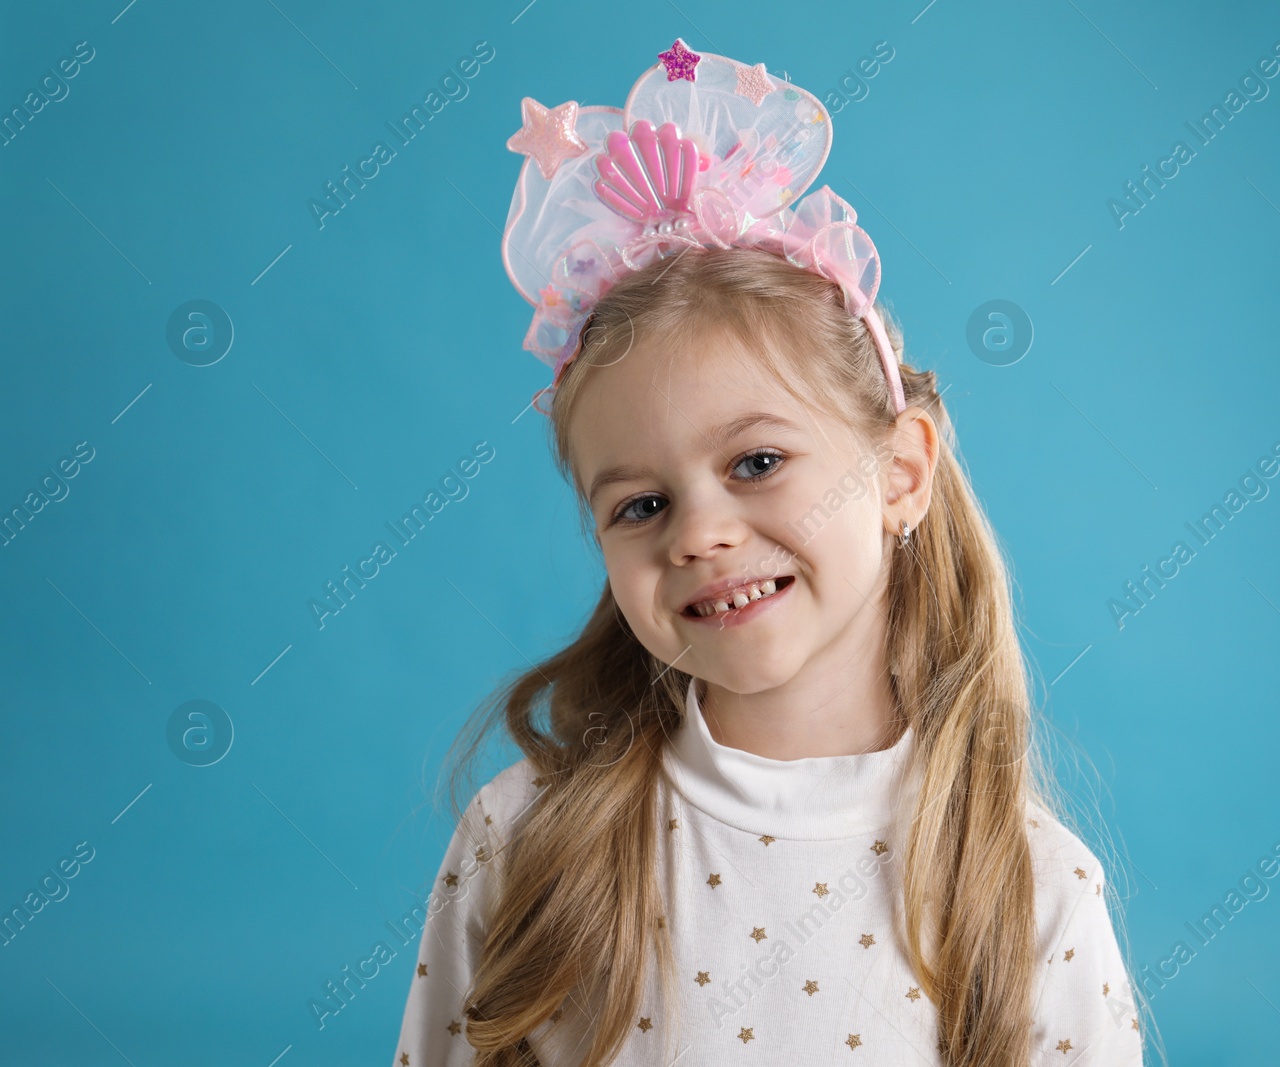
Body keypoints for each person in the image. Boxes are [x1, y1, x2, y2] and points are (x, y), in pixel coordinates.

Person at [393, 39, 1148, 1067]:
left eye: (755, 461)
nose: (700, 533)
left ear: (899, 471)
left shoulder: (1028, 882)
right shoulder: (527, 837)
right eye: (642, 503)